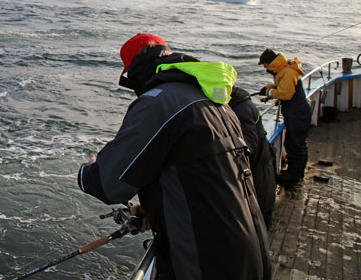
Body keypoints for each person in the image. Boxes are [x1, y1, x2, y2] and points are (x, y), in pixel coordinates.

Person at [78, 33, 270, 280]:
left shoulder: (160, 102)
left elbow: (107, 184)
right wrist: (154, 206)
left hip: (206, 261)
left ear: (134, 71)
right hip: (251, 252)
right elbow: (204, 173)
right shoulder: (214, 100)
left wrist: (89, 170)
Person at [258, 48, 310, 185]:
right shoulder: (283, 69)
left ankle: (293, 176)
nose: (265, 68)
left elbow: (286, 94)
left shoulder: (287, 72)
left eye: (265, 65)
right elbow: (281, 88)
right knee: (297, 143)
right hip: (296, 112)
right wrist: (268, 90)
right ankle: (297, 172)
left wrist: (269, 91)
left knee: (294, 144)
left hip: (297, 113)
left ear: (270, 63)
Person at [229, 86, 277, 227]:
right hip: (262, 164)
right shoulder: (242, 104)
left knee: (260, 206)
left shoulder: (241, 110)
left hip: (258, 168)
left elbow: (248, 144)